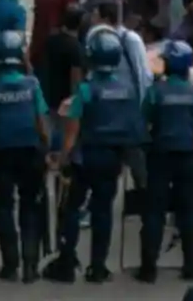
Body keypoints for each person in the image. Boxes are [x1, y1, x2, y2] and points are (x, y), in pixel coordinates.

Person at [45, 26, 145, 283]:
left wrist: (63, 160)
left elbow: (72, 132)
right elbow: (135, 127)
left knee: (71, 209)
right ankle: (97, 267)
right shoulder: (129, 89)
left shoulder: (87, 91)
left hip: (84, 158)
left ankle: (66, 262)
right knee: (103, 211)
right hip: (112, 159)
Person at [0, 28, 51, 282]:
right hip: (31, 151)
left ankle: (9, 264)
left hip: (3, 153)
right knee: (30, 205)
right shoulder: (32, 84)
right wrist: (47, 150)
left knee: (5, 206)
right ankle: (30, 266)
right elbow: (41, 122)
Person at [139, 37, 193, 281]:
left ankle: (148, 268)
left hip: (160, 156)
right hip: (189, 157)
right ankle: (191, 268)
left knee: (154, 212)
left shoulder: (155, 92)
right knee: (190, 213)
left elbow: (143, 124)